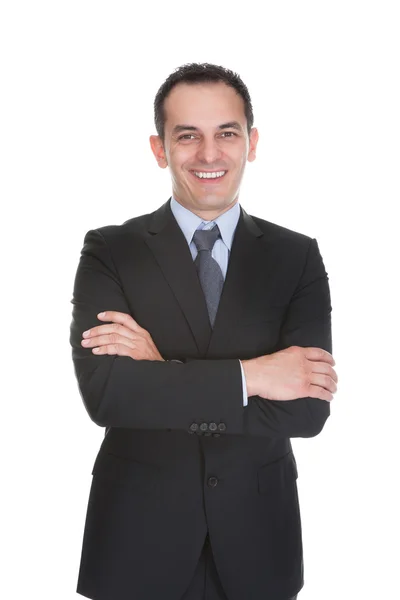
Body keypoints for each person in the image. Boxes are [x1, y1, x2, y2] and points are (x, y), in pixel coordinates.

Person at [70, 62, 338, 600]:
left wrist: (160, 373)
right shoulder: (110, 251)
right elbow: (109, 397)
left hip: (260, 541)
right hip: (136, 541)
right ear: (159, 148)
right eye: (187, 136)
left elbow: (307, 410)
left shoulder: (296, 257)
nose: (209, 154)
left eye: (227, 134)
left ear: (252, 143)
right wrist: (254, 375)